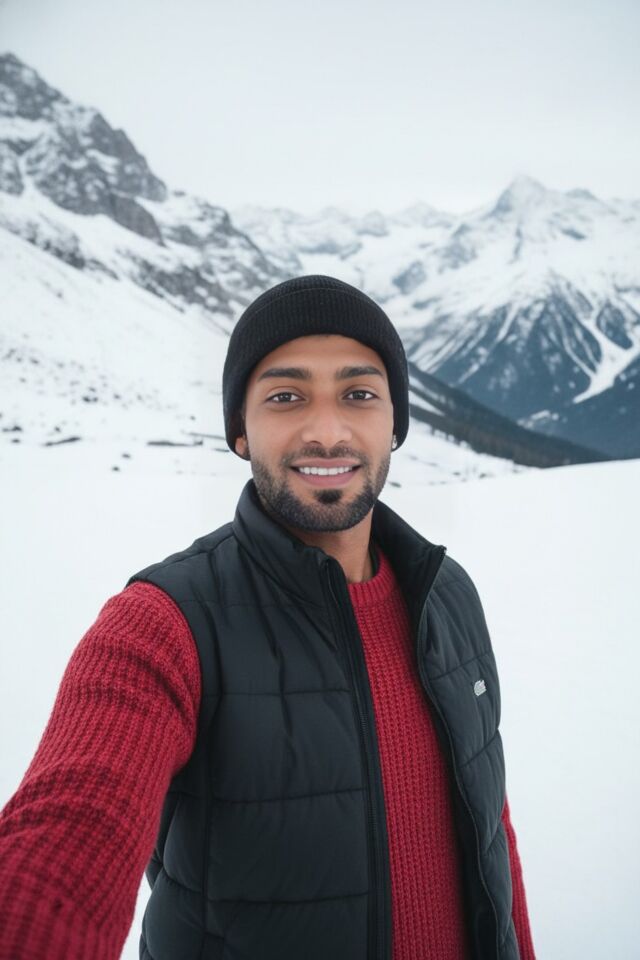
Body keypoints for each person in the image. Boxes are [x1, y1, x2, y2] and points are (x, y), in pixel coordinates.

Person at [0, 275, 536, 960]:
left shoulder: (448, 596)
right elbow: (70, 834)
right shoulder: (163, 626)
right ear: (240, 432)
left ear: (395, 425)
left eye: (359, 394)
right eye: (286, 397)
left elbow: (492, 835)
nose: (327, 432)